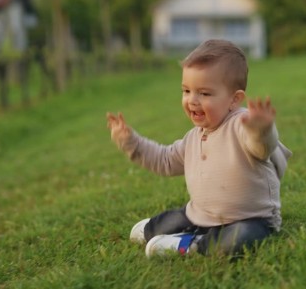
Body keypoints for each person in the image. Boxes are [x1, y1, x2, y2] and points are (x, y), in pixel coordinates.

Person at [106, 39, 292, 257]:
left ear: (234, 99)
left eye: (204, 93)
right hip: (202, 216)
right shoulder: (193, 137)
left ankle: (193, 246)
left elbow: (262, 147)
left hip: (251, 219)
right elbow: (164, 160)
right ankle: (153, 229)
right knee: (174, 219)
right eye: (186, 90)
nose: (192, 100)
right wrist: (131, 142)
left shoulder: (242, 125)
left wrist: (262, 130)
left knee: (237, 241)